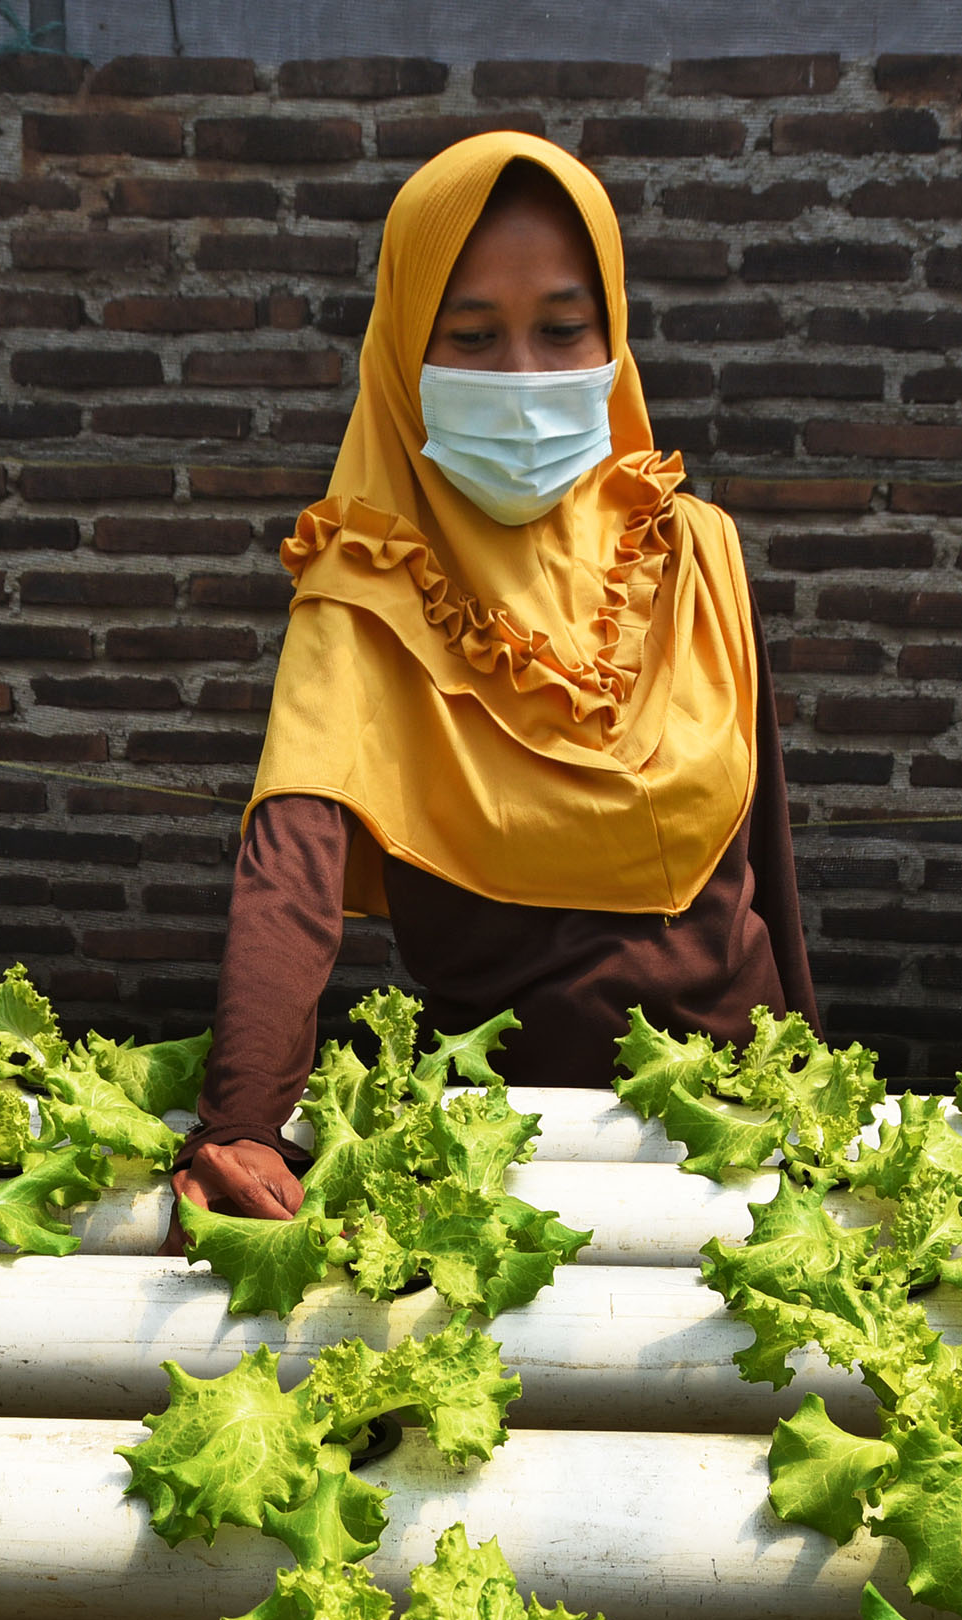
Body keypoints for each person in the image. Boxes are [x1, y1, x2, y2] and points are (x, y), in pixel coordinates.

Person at [174, 134, 816, 1223]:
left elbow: (765, 860)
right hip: (512, 1155)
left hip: (741, 1133)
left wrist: (810, 1071)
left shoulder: (693, 545)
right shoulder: (373, 589)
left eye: (564, 330)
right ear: (401, 354)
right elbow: (289, 861)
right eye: (470, 337)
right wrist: (241, 1119)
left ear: (612, 336)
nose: (524, 376)